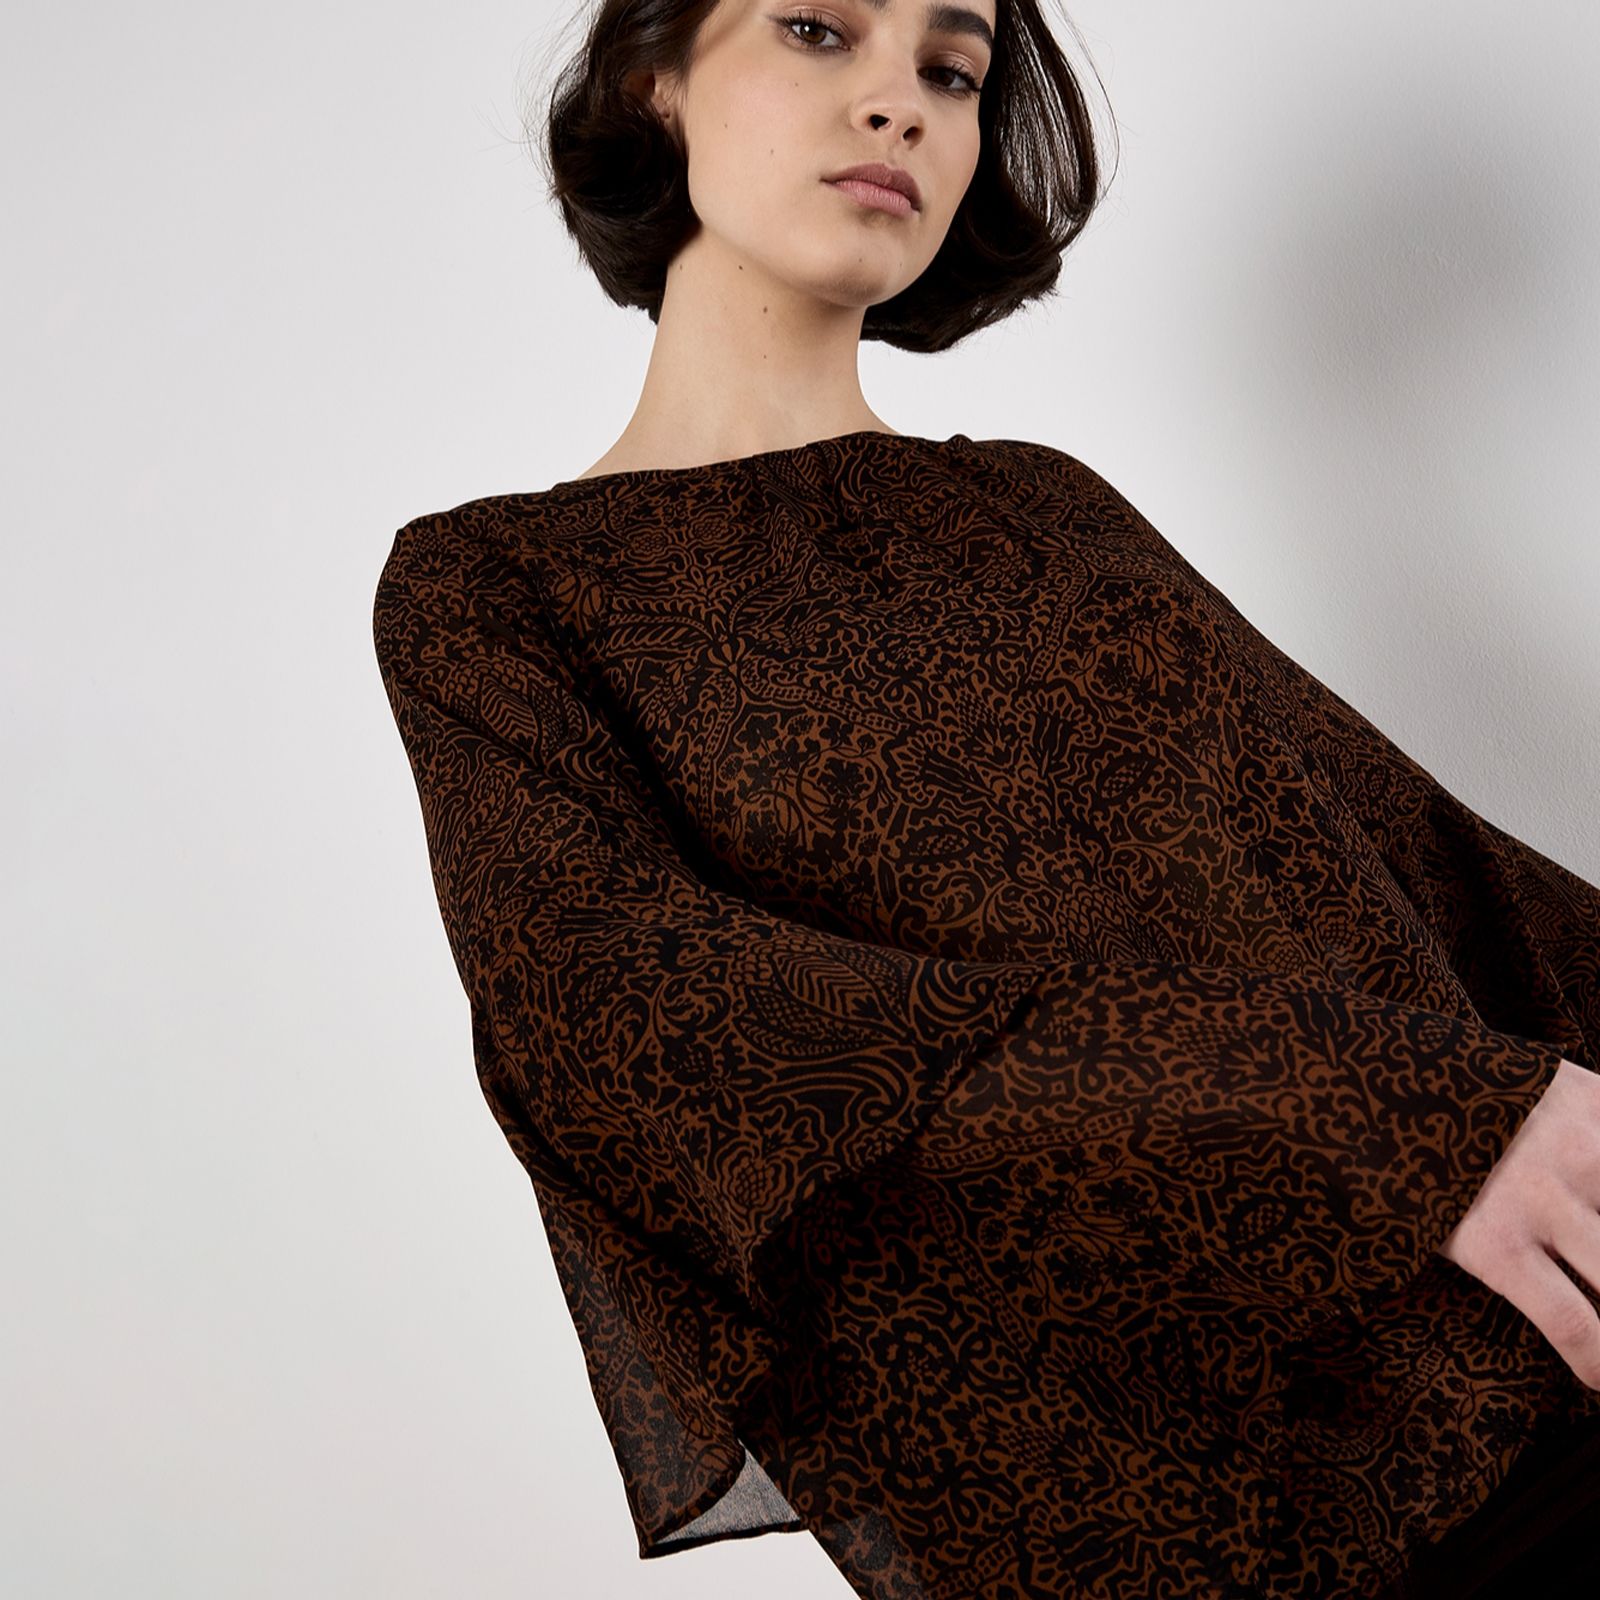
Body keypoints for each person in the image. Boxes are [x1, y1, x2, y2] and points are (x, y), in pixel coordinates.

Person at [372, 3, 1600, 1595]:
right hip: (1125, 1520)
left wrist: (1460, 1118)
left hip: (1519, 1404)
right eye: (820, 30)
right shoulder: (495, 590)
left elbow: (1430, 871)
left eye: (951, 73)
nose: (900, 102)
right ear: (652, 77)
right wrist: (1397, 1124)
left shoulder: (1045, 510)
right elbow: (643, 1026)